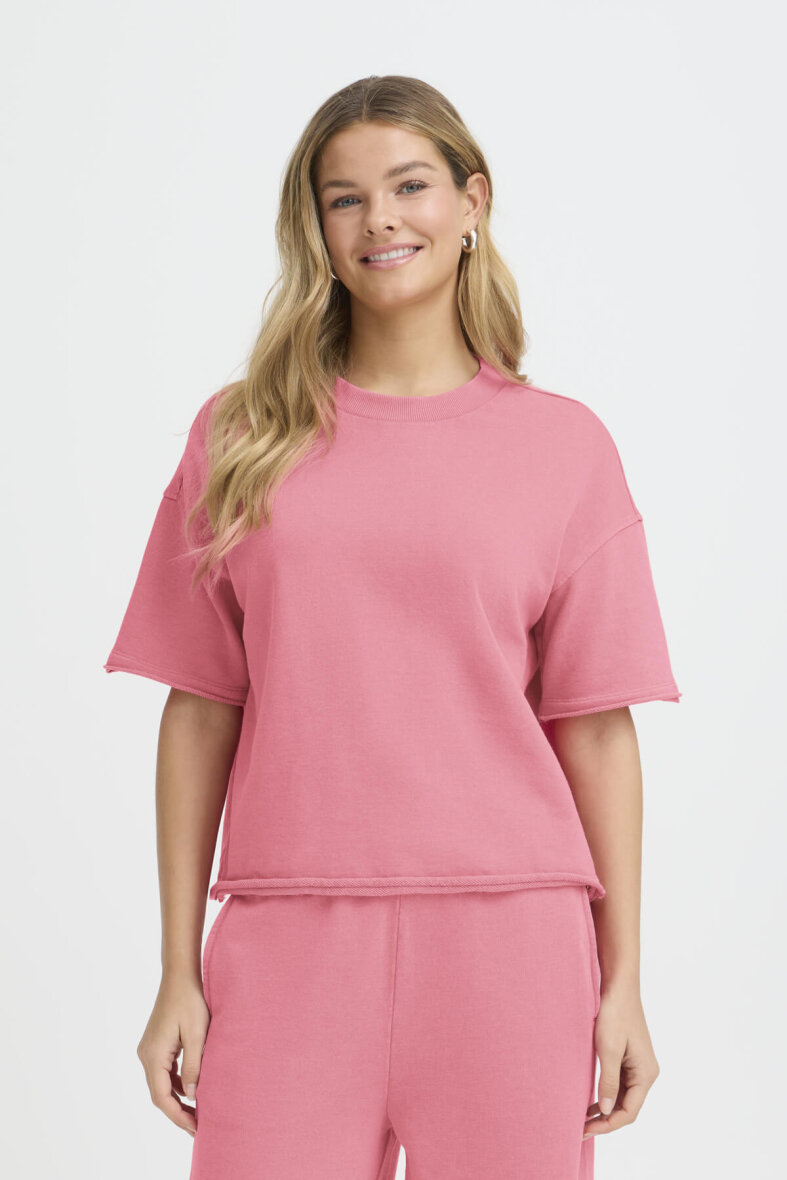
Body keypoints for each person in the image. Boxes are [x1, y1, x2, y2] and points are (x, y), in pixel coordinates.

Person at [103, 74, 681, 1180]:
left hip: (512, 939)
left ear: (472, 202)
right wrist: (177, 969)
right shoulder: (240, 436)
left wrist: (623, 984)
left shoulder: (564, 449)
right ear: (316, 228)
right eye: (345, 198)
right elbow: (200, 706)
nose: (380, 220)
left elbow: (596, 729)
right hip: (286, 935)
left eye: (410, 186)